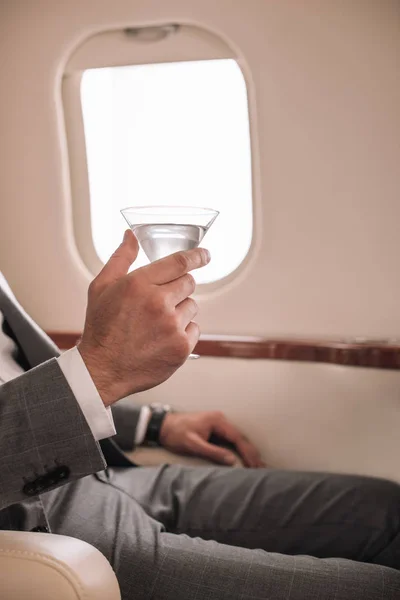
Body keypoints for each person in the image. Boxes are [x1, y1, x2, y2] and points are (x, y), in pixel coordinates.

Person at [1, 230, 400, 600]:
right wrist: (100, 371)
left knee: (387, 511)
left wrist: (154, 425)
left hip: (104, 476)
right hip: (49, 526)